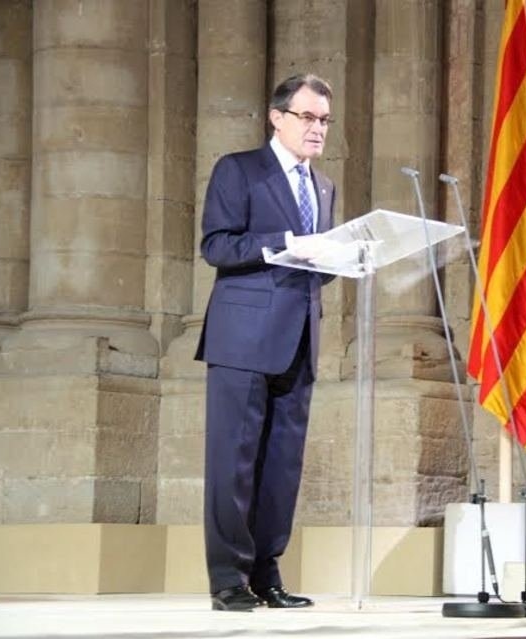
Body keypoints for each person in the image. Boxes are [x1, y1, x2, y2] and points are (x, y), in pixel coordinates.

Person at [194, 73, 337, 611]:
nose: (317, 128)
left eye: (324, 120)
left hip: (298, 339)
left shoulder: (324, 186)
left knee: (281, 468)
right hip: (242, 339)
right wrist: (288, 241)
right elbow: (217, 246)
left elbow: (315, 267)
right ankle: (228, 579)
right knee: (232, 464)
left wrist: (345, 259)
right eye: (308, 117)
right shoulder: (239, 170)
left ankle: (266, 574)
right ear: (277, 118)